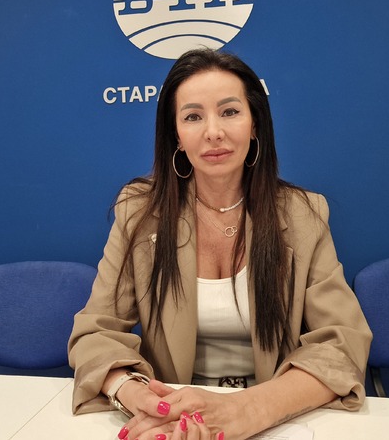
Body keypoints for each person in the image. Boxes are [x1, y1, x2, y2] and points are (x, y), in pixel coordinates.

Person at [68, 48, 372, 440]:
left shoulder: (303, 214)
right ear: (176, 136)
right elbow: (96, 333)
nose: (213, 132)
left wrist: (249, 410)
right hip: (176, 421)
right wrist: (137, 396)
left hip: (275, 418)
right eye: (193, 116)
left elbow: (342, 344)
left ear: (255, 124)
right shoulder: (139, 211)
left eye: (229, 112)